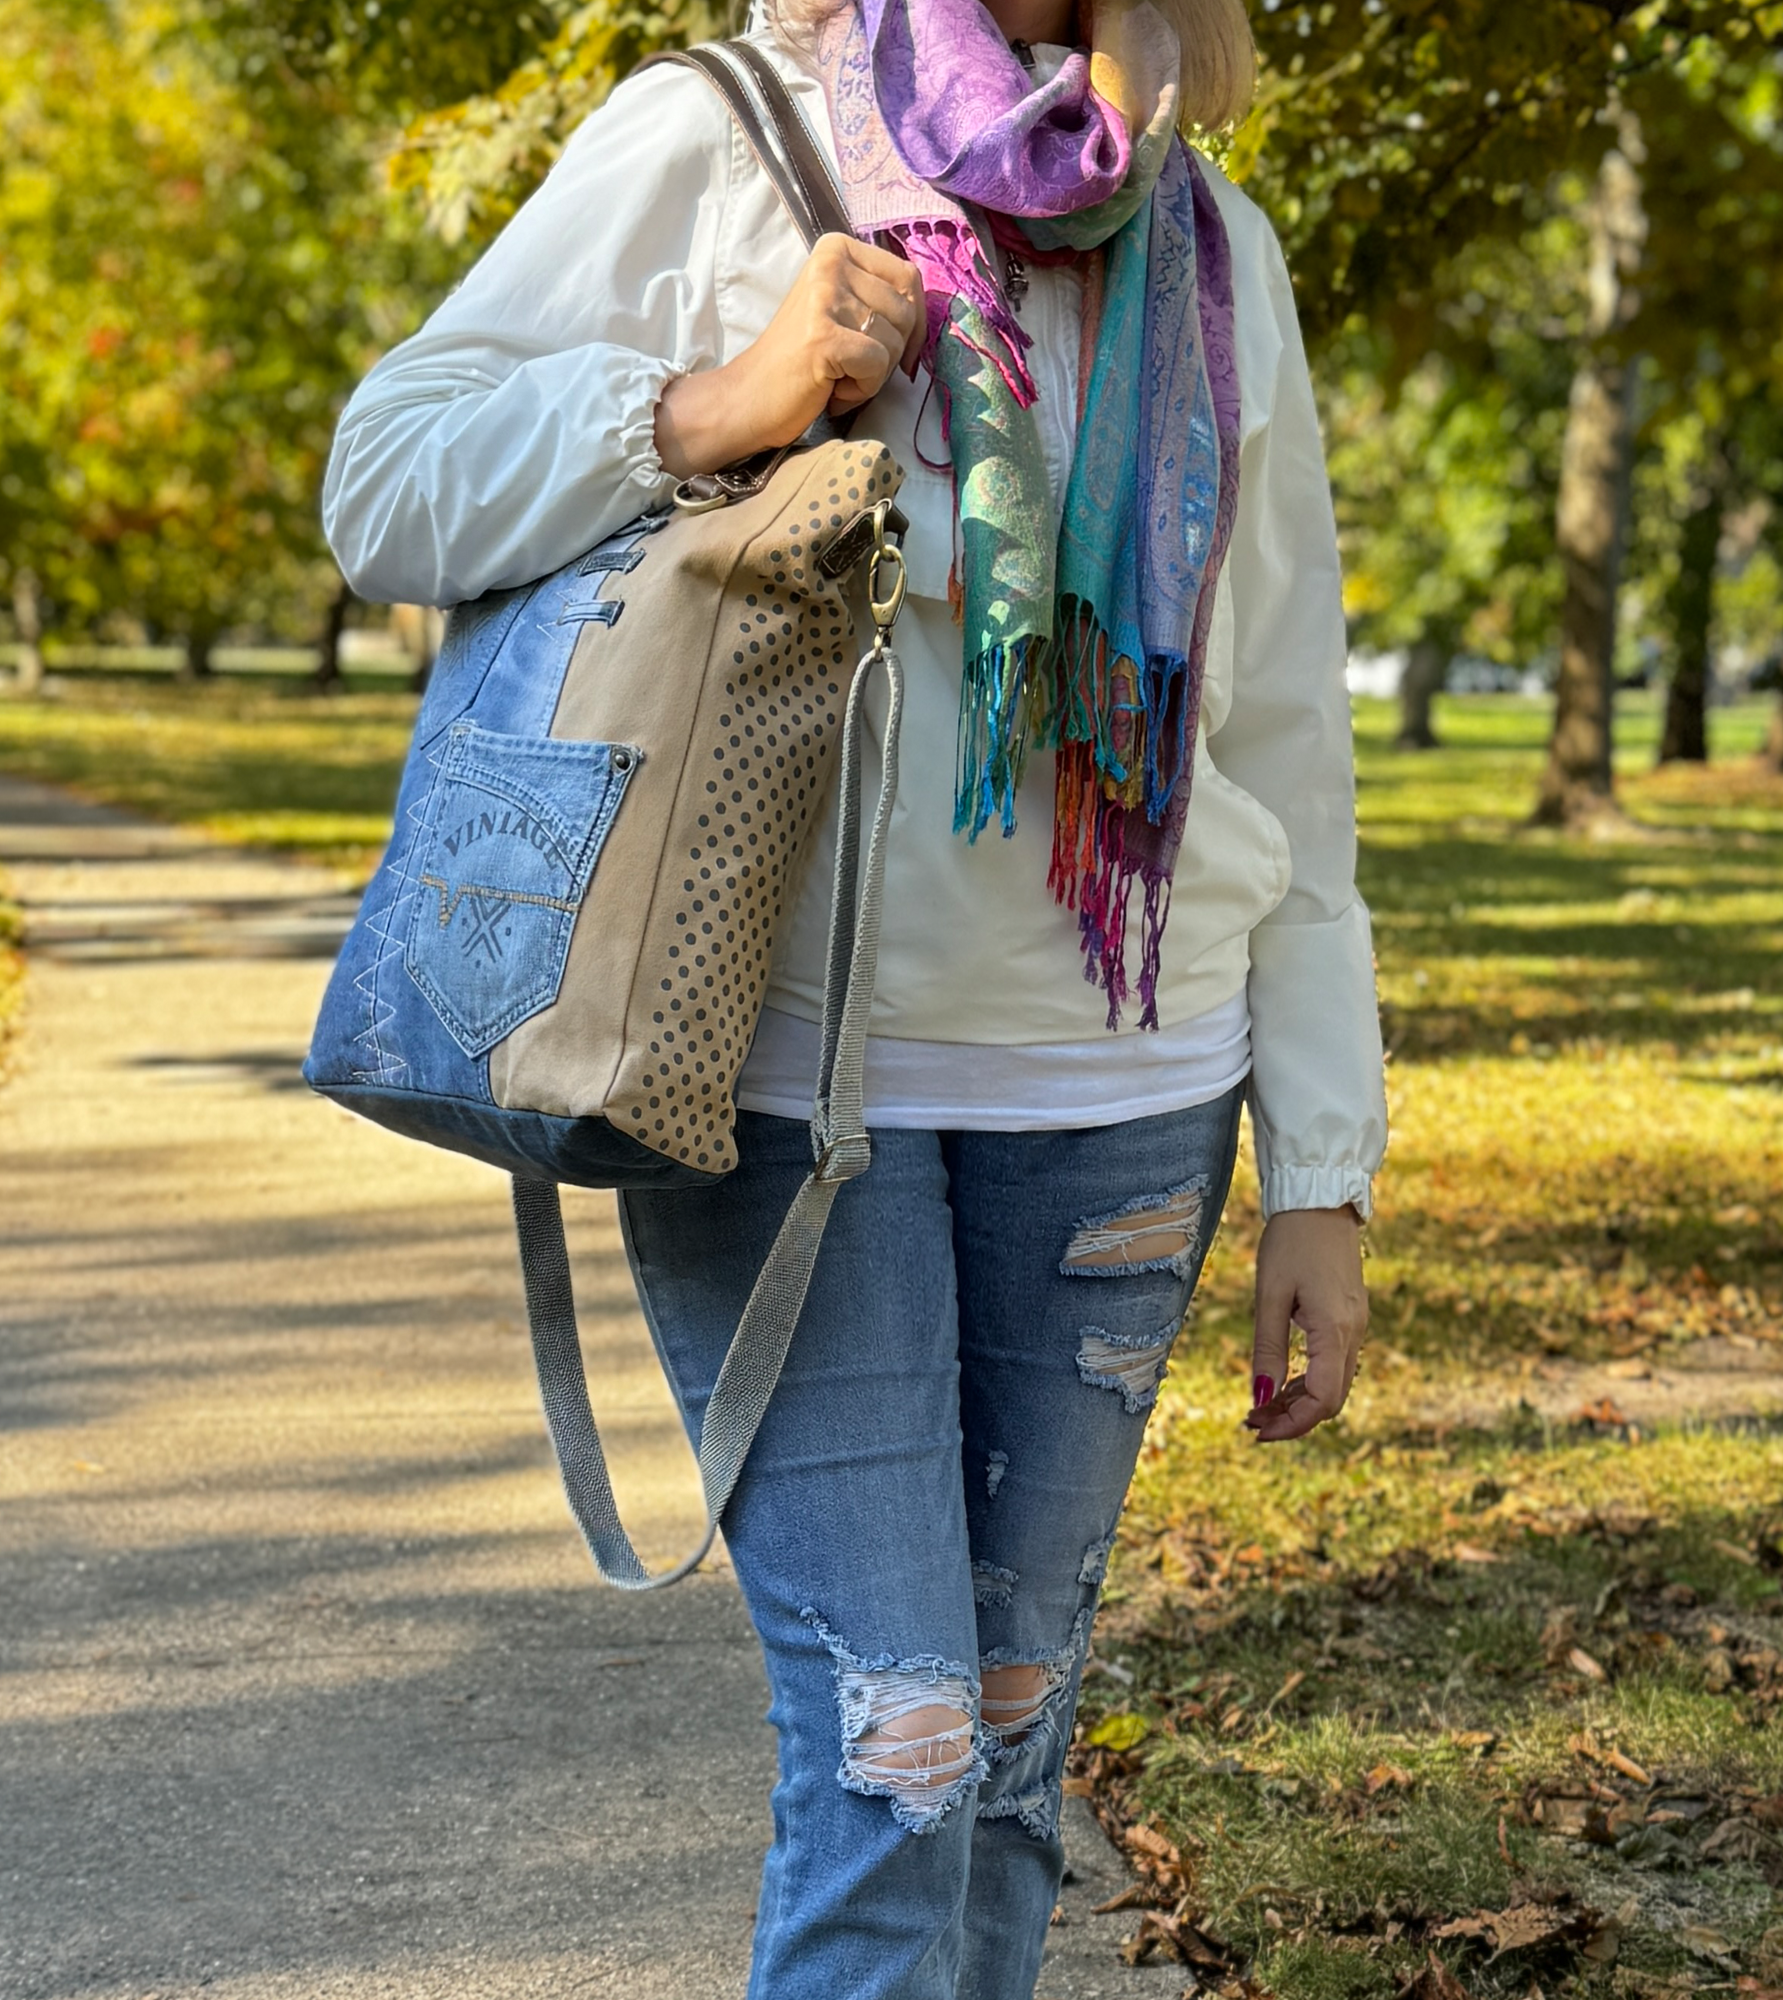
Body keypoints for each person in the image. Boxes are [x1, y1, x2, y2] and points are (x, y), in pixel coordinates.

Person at [323, 0, 1386, 1992]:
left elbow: (1281, 724)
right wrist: (712, 400)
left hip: (1133, 1096)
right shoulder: (714, 134)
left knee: (998, 1743)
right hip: (785, 1090)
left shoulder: (1212, 242)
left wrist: (1320, 1165)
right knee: (894, 1754)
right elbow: (383, 481)